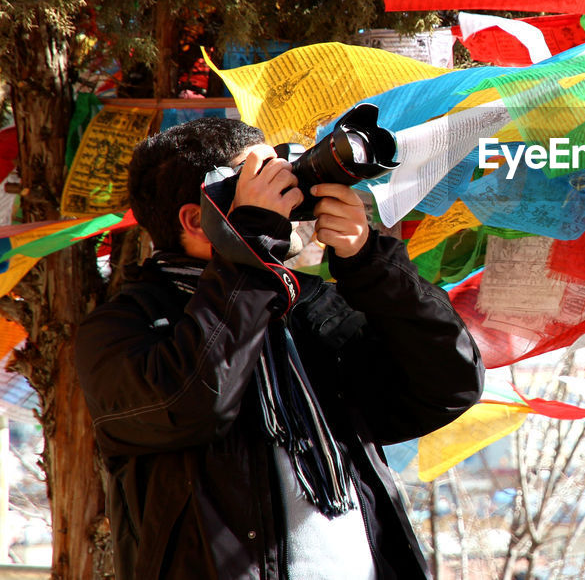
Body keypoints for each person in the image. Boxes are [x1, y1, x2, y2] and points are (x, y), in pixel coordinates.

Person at [74, 117, 485, 579]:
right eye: (258, 186)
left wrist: (370, 264)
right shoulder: (119, 328)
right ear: (195, 219)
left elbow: (446, 387)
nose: (283, 200)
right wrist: (249, 244)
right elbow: (195, 402)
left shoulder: (307, 305)